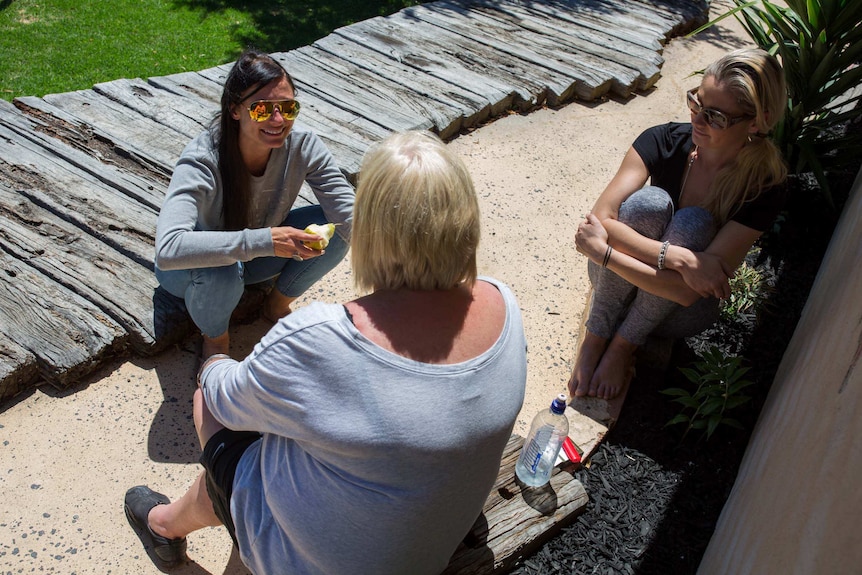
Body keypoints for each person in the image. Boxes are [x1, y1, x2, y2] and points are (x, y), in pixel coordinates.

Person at [125, 131, 528, 574]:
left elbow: (222, 402)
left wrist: (216, 361)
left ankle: (164, 526)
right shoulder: (503, 301)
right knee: (292, 429)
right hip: (428, 538)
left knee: (228, 414)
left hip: (307, 562)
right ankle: (175, 523)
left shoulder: (321, 334)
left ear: (370, 228)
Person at [569, 47, 788, 401]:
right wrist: (681, 260)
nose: (697, 120)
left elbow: (688, 292)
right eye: (696, 103)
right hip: (619, 280)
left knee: (694, 224)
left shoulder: (764, 186)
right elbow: (602, 219)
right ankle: (595, 338)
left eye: (715, 116)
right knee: (649, 204)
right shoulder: (661, 140)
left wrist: (605, 254)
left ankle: (623, 346)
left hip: (676, 310)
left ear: (756, 121)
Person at [154, 48, 355, 358]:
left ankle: (276, 306)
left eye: (287, 108)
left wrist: (415, 263)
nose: (278, 120)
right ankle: (216, 342)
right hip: (193, 270)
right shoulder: (202, 159)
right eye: (263, 109)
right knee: (219, 269)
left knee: (336, 229)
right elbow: (168, 250)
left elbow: (350, 214)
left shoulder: (304, 145)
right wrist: (263, 240)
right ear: (235, 110)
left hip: (256, 256)